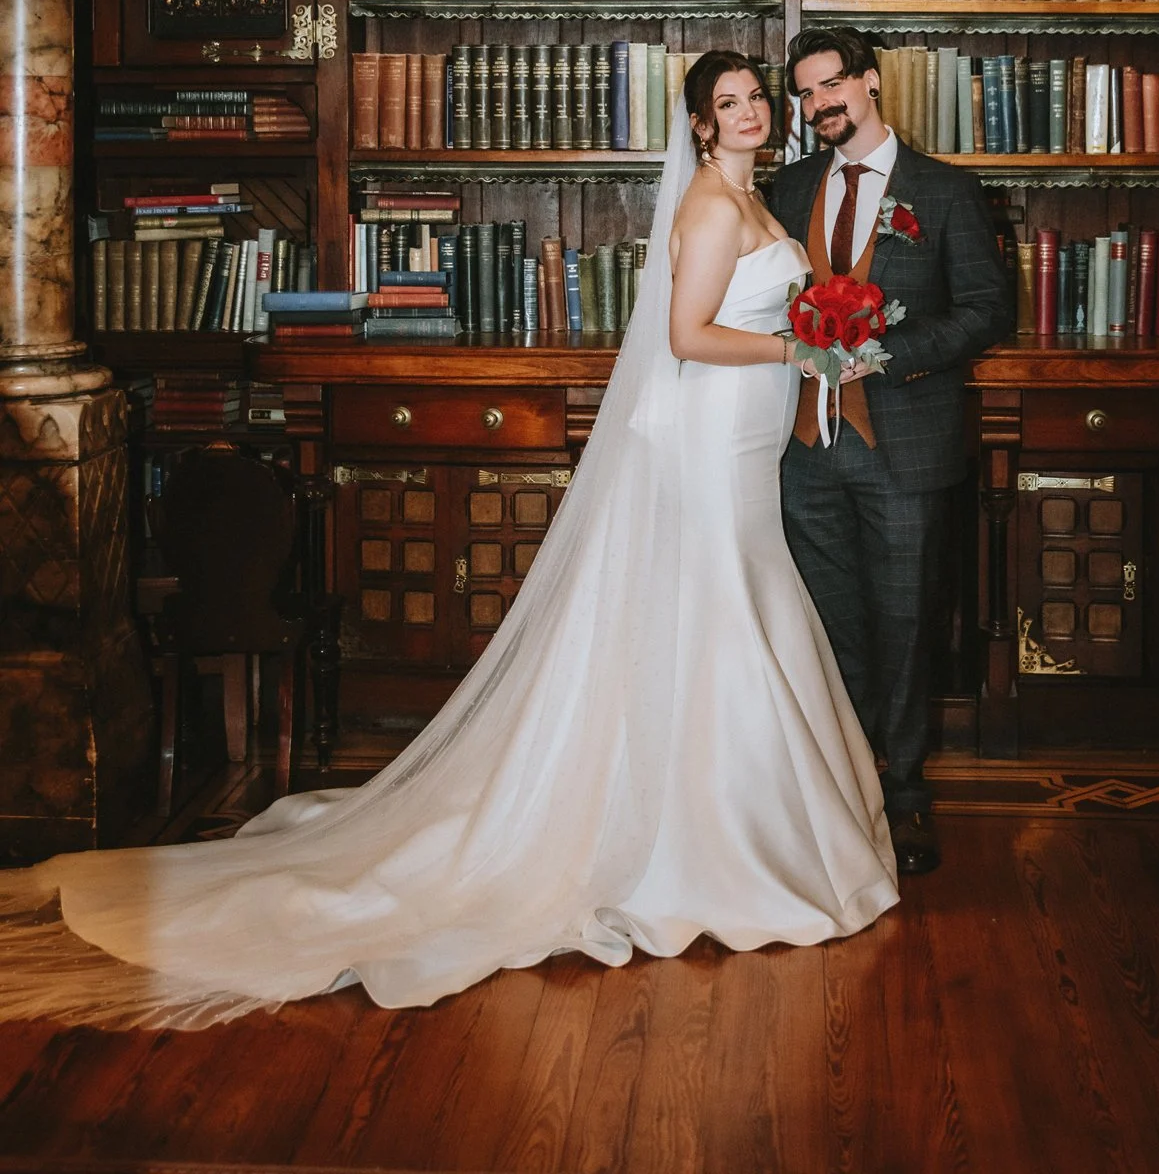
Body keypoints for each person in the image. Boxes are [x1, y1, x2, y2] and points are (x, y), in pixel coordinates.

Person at [0, 52, 897, 1029]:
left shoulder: (758, 199)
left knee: (735, 604)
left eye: (759, 98)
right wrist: (800, 347)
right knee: (726, 607)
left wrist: (816, 333)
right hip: (714, 437)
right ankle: (715, 845)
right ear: (699, 127)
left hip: (749, 434)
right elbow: (686, 334)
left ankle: (733, 828)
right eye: (730, 104)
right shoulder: (716, 210)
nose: (754, 112)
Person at [768, 27, 1012, 876]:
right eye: (802, 94)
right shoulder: (787, 185)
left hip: (904, 447)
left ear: (869, 83)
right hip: (803, 451)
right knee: (829, 627)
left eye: (829, 86)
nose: (816, 105)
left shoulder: (943, 193)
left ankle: (903, 794)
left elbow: (986, 310)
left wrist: (887, 356)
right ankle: (841, 791)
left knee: (906, 626)